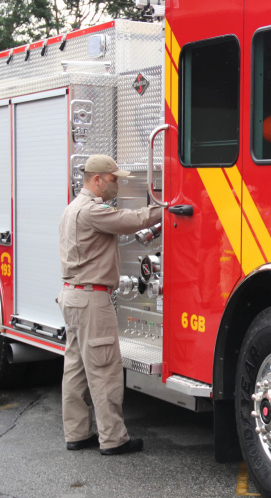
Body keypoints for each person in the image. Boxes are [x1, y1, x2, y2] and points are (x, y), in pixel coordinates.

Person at [58, 154, 163, 455]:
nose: (117, 184)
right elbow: (132, 221)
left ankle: (77, 433)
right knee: (104, 370)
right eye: (114, 179)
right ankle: (113, 439)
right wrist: (164, 207)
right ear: (98, 180)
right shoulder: (93, 211)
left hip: (73, 296)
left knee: (76, 368)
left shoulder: (71, 209)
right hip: (92, 300)